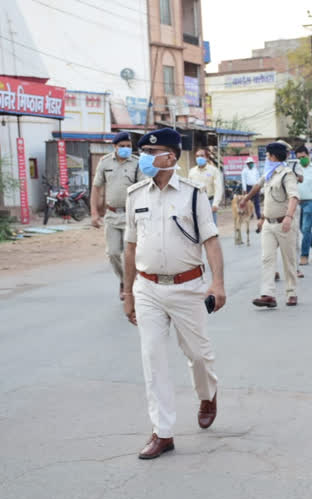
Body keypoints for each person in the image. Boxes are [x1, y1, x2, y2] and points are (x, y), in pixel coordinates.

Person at [122, 128, 226, 460]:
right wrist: (127, 293)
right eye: (144, 154)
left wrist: (218, 284)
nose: (147, 160)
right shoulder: (135, 195)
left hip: (188, 287)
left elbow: (210, 241)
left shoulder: (194, 194)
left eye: (154, 154)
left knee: (197, 355)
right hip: (147, 287)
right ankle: (162, 432)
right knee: (153, 358)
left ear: (172, 156)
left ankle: (207, 394)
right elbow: (129, 247)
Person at [241, 142, 300, 307]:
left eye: (267, 155)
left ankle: (291, 292)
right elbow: (257, 187)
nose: (266, 158)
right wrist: (245, 200)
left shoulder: (287, 174)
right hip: (268, 223)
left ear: (273, 156)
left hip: (284, 223)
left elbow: (294, 197)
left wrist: (289, 217)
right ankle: (268, 294)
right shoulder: (268, 173)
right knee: (267, 259)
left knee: (288, 260)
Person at [90, 132, 141, 301]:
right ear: (115, 147)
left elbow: (142, 188)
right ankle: (123, 280)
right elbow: (96, 188)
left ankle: (129, 285)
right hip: (111, 215)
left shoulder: (136, 163)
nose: (126, 149)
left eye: (128, 146)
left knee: (129, 253)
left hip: (130, 215)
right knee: (112, 253)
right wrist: (94, 213)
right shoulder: (105, 162)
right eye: (122, 146)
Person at [188, 148, 223, 224]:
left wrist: (215, 204)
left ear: (206, 157)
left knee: (211, 227)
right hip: (196, 202)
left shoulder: (213, 171)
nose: (199, 158)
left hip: (209, 202)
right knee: (197, 226)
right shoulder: (192, 172)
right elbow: (189, 189)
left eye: (202, 156)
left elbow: (218, 188)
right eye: (197, 156)